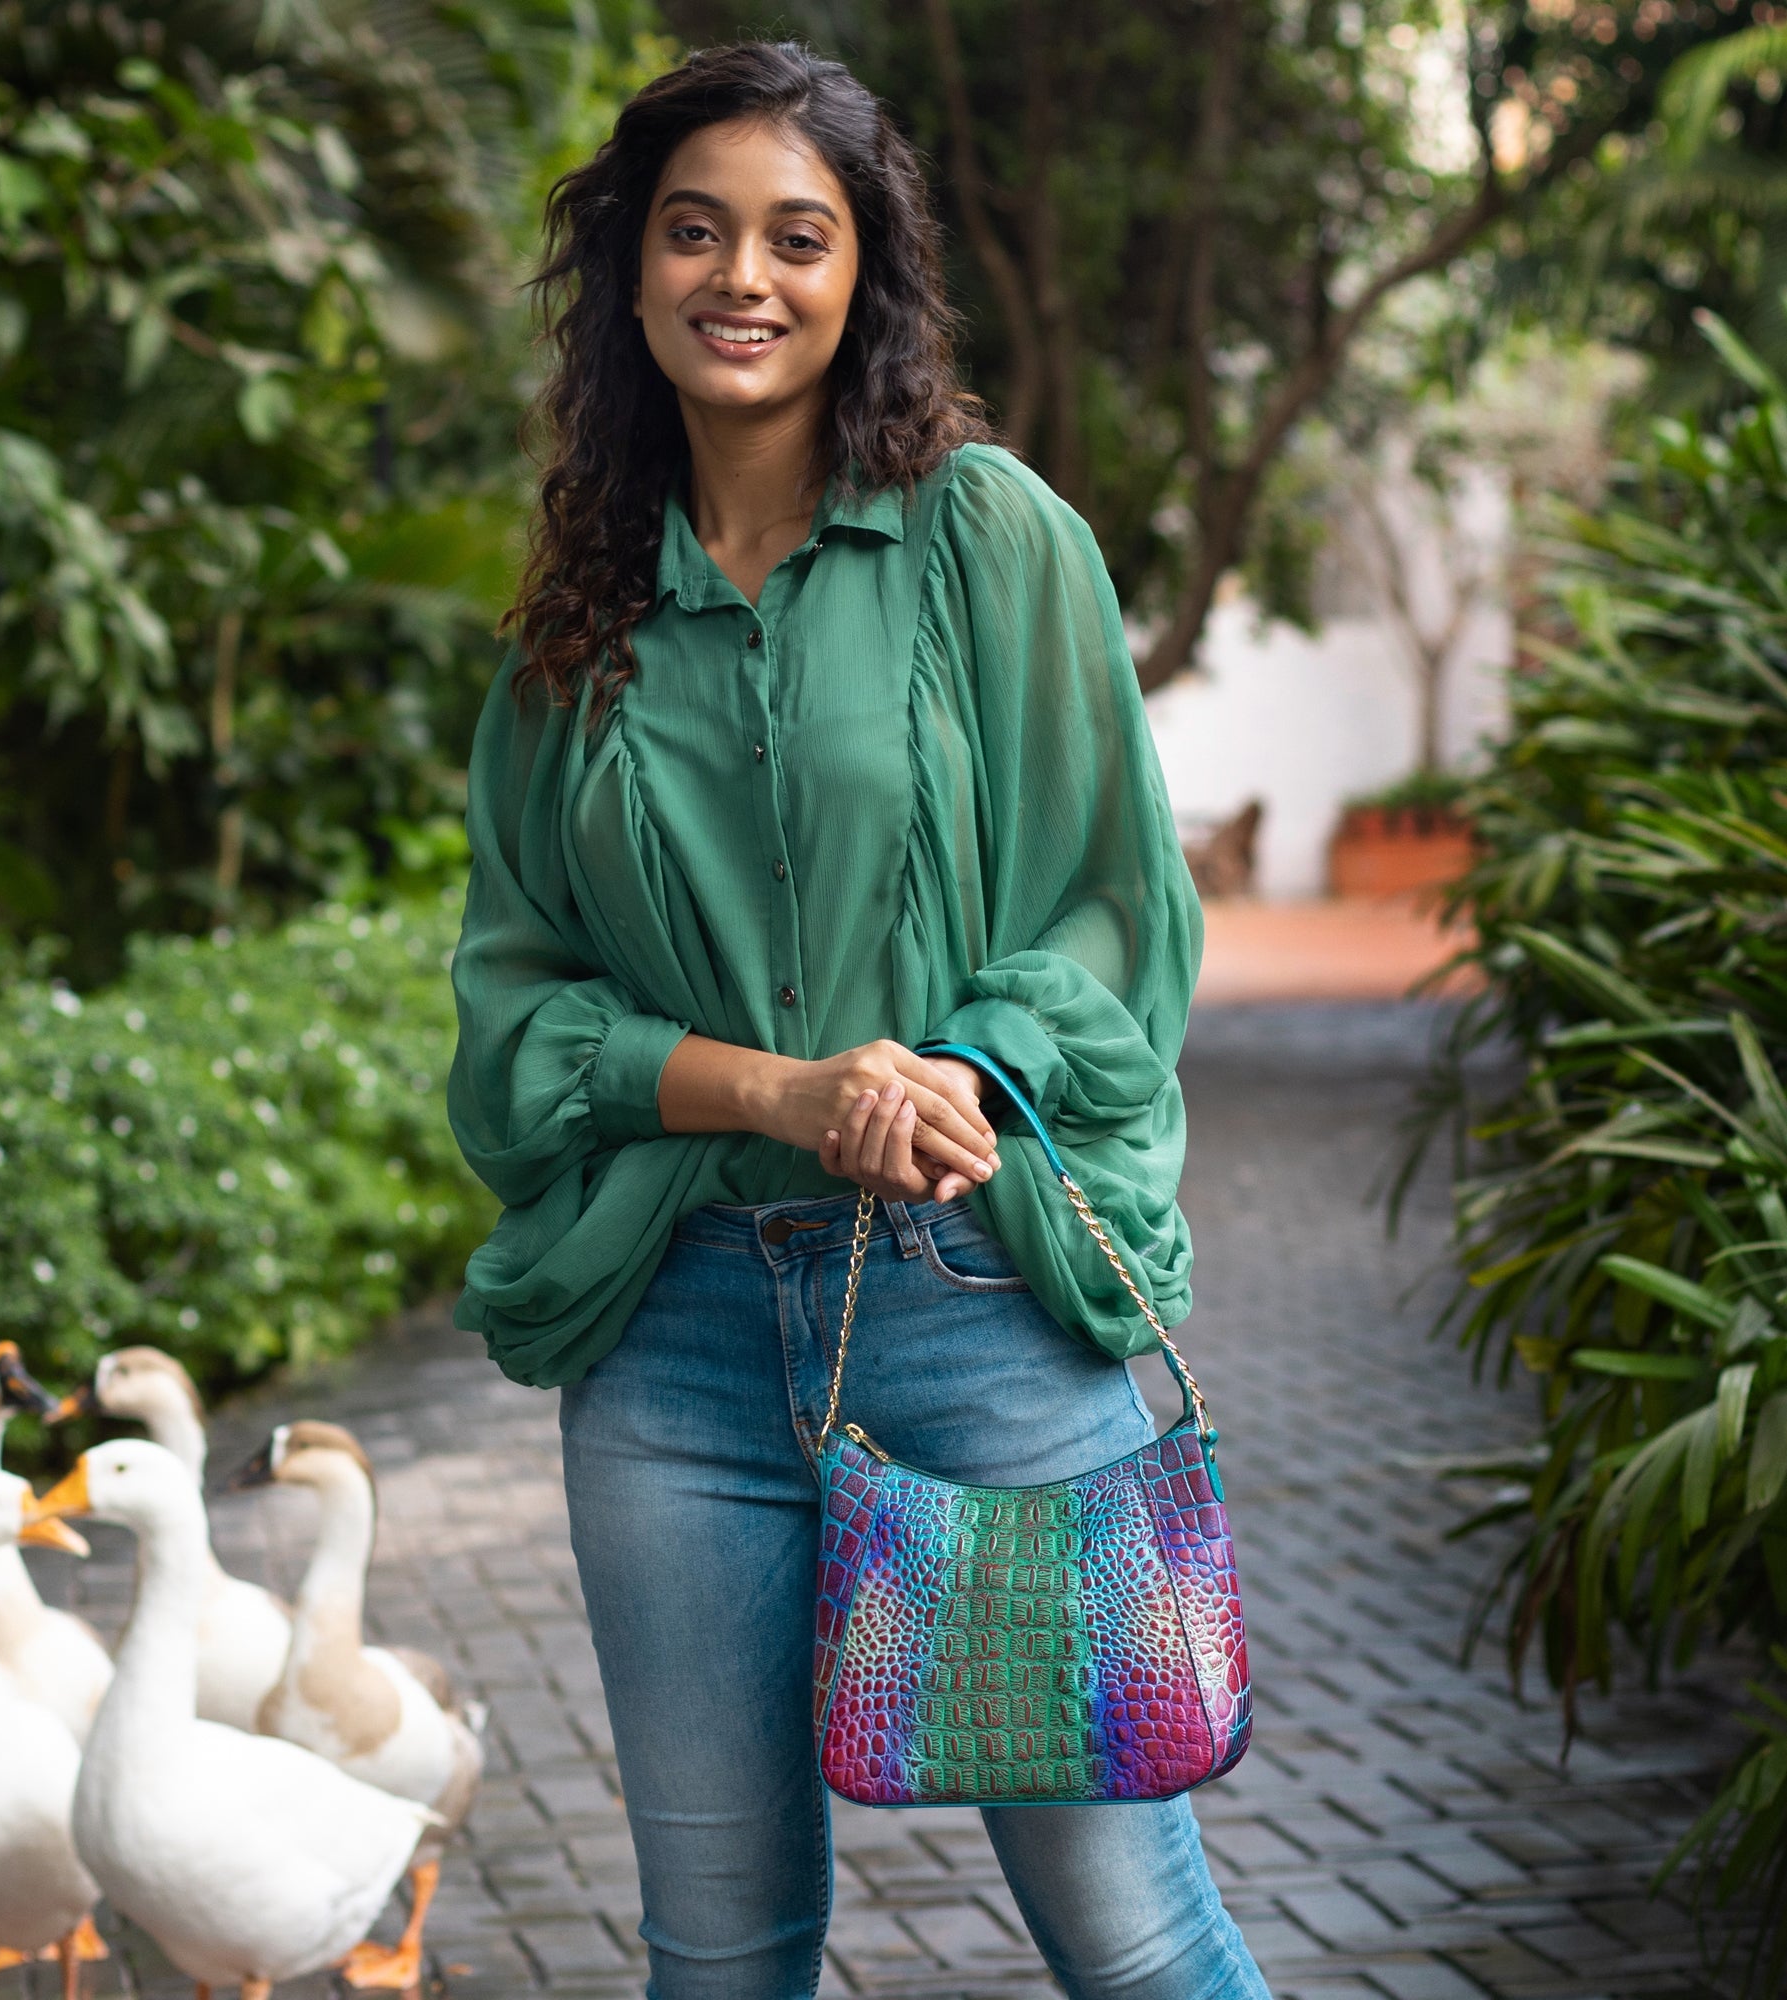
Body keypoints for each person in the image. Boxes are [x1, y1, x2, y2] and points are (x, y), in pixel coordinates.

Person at [446, 39, 1268, 2000]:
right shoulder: (577, 617)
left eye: (793, 237)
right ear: (631, 277)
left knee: (1130, 1933)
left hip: (966, 1304)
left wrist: (942, 1070)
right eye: (694, 231)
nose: (741, 275)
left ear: (859, 277)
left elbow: (1108, 909)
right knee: (716, 1957)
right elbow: (514, 1016)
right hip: (667, 1351)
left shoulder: (990, 541)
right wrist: (778, 1090)